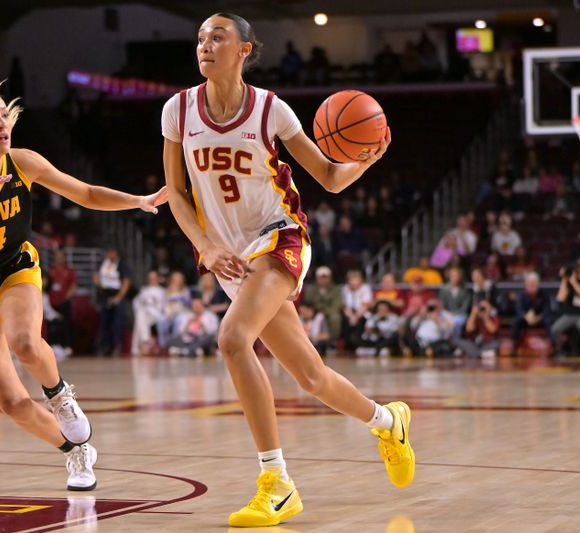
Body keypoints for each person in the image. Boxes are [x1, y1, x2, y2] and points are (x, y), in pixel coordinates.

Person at [160, 13, 413, 527]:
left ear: (245, 50)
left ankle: (276, 482)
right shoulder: (177, 111)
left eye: (218, 37)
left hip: (279, 238)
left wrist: (367, 159)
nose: (205, 45)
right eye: (201, 38)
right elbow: (176, 195)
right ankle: (389, 421)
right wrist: (205, 246)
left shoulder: (271, 110)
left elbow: (328, 176)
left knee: (232, 340)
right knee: (311, 376)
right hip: (228, 256)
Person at [0, 79, 167, 491]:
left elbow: (87, 193)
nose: (1, 123)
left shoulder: (23, 162)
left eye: (4, 115)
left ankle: (59, 394)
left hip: (13, 267)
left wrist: (137, 200)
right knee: (11, 403)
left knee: (25, 341)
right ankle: (75, 451)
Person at [551, 257, 580, 355]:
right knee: (555, 329)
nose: (579, 267)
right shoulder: (570, 279)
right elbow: (560, 298)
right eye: (578, 265)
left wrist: (574, 282)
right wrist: (564, 279)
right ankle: (560, 349)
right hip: (569, 314)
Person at [93, 247, 131, 356]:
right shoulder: (103, 263)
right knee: (104, 322)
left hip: (117, 295)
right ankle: (105, 346)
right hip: (105, 295)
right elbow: (96, 277)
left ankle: (117, 346)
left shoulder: (122, 265)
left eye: (112, 252)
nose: (109, 254)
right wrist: (101, 287)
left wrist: (119, 297)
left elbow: (126, 282)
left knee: (117, 322)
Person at [511, 272, 552, 355]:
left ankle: (552, 347)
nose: (532, 286)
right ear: (526, 284)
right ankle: (515, 347)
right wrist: (526, 317)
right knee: (516, 322)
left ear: (538, 284)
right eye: (530, 284)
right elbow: (519, 309)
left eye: (534, 284)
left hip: (540, 319)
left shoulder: (544, 294)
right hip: (526, 319)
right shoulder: (521, 294)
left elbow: (547, 310)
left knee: (549, 321)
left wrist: (538, 318)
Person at [131, 271, 167, 356]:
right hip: (144, 313)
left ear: (158, 279)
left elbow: (162, 306)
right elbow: (136, 303)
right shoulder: (144, 290)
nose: (152, 280)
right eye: (150, 278)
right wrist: (142, 302)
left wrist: (151, 303)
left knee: (139, 318)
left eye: (154, 278)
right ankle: (145, 341)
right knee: (140, 315)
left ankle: (138, 346)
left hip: (156, 315)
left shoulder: (163, 291)